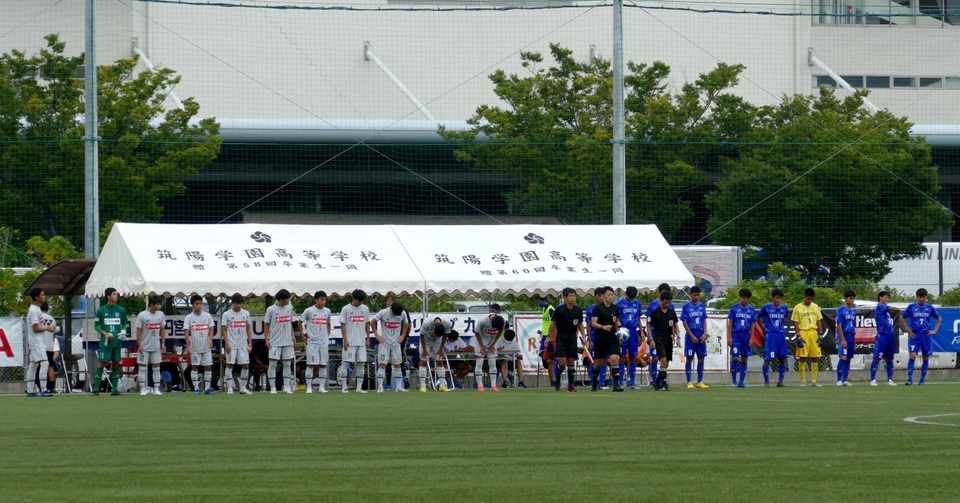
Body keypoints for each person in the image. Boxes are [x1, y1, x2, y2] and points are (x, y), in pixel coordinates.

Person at [93, 287, 129, 396]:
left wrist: (123, 331)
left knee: (116, 363)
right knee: (102, 362)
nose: (116, 296)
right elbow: (96, 325)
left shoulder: (121, 310)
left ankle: (114, 389)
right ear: (108, 296)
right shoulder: (101, 310)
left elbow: (125, 323)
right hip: (105, 342)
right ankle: (96, 389)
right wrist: (104, 333)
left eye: (116, 294)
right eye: (114, 294)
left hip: (117, 341)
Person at [902, 288, 942, 386]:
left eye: (923, 297)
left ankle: (922, 380)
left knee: (925, 358)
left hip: (925, 336)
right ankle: (910, 380)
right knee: (912, 356)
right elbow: (902, 317)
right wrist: (908, 330)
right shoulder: (911, 307)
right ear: (916, 297)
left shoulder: (930, 308)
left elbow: (939, 318)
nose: (921, 299)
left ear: (926, 297)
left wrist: (935, 330)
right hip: (914, 335)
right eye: (919, 297)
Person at [549, 287, 586, 392]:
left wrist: (584, 336)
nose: (573, 298)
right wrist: (552, 338)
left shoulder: (578, 310)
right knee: (562, 362)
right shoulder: (559, 310)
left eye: (574, 296)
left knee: (571, 361)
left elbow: (580, 324)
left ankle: (571, 385)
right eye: (570, 296)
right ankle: (557, 381)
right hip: (561, 337)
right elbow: (552, 325)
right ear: (565, 298)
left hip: (572, 338)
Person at [590, 286, 623, 392]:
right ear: (603, 296)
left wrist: (620, 332)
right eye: (609, 294)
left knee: (615, 358)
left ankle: (616, 385)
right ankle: (594, 383)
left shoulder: (615, 308)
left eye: (612, 294)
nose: (611, 296)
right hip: (601, 339)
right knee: (599, 362)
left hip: (613, 338)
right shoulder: (597, 308)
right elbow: (593, 323)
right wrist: (603, 327)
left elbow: (616, 322)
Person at [264, 289, 297, 394]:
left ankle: (286, 387)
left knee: (287, 364)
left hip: (287, 341)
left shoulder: (290, 307)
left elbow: (291, 323)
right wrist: (267, 339)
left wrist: (293, 336)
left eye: (288, 299)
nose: (288, 301)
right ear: (280, 300)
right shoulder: (271, 309)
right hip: (275, 341)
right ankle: (273, 387)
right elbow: (266, 324)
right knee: (273, 364)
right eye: (286, 299)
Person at [339, 289, 371, 394]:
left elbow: (367, 323)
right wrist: (345, 339)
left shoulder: (365, 309)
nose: (361, 303)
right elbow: (342, 325)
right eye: (359, 300)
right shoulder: (346, 309)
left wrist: (368, 338)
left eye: (362, 301)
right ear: (354, 299)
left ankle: (359, 388)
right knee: (345, 364)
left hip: (361, 342)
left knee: (361, 364)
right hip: (350, 342)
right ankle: (344, 387)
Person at [300, 291, 331, 394]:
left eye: (325, 300)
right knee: (311, 365)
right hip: (312, 342)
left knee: (323, 365)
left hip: (323, 342)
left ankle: (321, 387)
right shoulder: (309, 311)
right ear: (316, 300)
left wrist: (327, 335)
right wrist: (303, 334)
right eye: (322, 299)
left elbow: (328, 324)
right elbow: (300, 322)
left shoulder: (327, 311)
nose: (323, 302)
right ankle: (308, 387)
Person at [183, 294, 216, 395]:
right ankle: (196, 388)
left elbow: (211, 328)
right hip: (195, 347)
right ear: (193, 305)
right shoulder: (189, 317)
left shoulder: (207, 316)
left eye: (200, 304)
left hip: (206, 346)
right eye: (197, 304)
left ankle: (207, 388)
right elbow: (186, 332)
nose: (199, 306)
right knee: (195, 367)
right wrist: (188, 346)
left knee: (208, 366)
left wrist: (210, 339)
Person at [135, 295, 167, 396]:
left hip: (156, 345)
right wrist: (139, 344)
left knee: (156, 367)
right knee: (142, 368)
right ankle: (143, 389)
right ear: (152, 304)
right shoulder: (142, 315)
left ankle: (156, 388)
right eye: (158, 304)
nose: (159, 306)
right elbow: (138, 331)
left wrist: (163, 343)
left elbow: (162, 329)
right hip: (144, 346)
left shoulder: (161, 315)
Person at [222, 293, 253, 395]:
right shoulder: (226, 314)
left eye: (240, 303)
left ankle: (243, 388)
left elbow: (248, 328)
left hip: (243, 344)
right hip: (231, 344)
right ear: (232, 303)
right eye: (236, 303)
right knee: (229, 365)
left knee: (245, 365)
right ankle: (230, 388)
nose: (238, 305)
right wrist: (226, 343)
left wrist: (250, 342)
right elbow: (224, 330)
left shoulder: (246, 313)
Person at [373, 302, 409, 393]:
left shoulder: (403, 313)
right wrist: (377, 335)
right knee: (383, 364)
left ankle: (398, 387)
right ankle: (380, 386)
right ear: (391, 310)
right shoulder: (383, 312)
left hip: (396, 343)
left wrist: (403, 335)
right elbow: (373, 321)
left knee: (397, 364)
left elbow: (406, 323)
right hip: (384, 342)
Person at [26, 288, 55, 397]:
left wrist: (49, 327)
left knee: (33, 365)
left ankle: (30, 390)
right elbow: (35, 328)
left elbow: (39, 326)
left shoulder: (37, 309)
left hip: (37, 341)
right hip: (36, 342)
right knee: (45, 363)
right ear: (37, 297)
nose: (44, 296)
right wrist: (48, 328)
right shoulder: (34, 310)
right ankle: (43, 389)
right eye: (42, 295)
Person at [791, 288, 823, 387]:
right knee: (802, 357)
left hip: (813, 333)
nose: (809, 301)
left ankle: (814, 381)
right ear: (804, 297)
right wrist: (798, 335)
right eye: (808, 298)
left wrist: (820, 334)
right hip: (803, 333)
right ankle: (803, 381)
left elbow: (819, 320)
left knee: (815, 357)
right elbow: (795, 322)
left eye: (811, 299)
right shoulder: (798, 307)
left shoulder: (815, 307)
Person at [649, 290, 679, 391]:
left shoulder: (671, 312)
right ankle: (660, 382)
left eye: (669, 302)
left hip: (669, 338)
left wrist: (677, 336)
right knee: (663, 360)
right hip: (659, 338)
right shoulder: (655, 312)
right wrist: (651, 339)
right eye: (666, 302)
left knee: (666, 363)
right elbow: (649, 325)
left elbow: (675, 324)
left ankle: (659, 382)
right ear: (661, 301)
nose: (667, 304)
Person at [758, 289, 789, 387]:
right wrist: (764, 327)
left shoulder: (784, 307)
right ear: (773, 298)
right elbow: (759, 317)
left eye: (780, 298)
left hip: (781, 336)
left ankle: (780, 381)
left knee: (783, 358)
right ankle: (766, 382)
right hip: (771, 336)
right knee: (768, 358)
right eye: (776, 298)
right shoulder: (766, 307)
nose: (778, 300)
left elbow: (786, 318)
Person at [727, 288, 757, 388]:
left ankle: (742, 381)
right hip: (736, 336)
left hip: (746, 336)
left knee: (744, 358)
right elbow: (730, 323)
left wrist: (752, 338)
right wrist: (729, 337)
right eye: (743, 298)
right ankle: (734, 380)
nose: (744, 300)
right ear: (740, 297)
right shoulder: (734, 308)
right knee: (735, 357)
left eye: (746, 298)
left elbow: (753, 325)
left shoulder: (751, 309)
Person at [645, 283, 672, 389]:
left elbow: (672, 321)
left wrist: (675, 334)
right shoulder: (653, 305)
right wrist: (650, 337)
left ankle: (662, 380)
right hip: (656, 336)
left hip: (666, 336)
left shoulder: (670, 305)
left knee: (665, 360)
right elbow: (648, 322)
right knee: (656, 358)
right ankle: (653, 378)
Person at [680, 286, 709, 389]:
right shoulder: (686, 307)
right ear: (691, 295)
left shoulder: (702, 306)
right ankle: (689, 382)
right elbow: (684, 322)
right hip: (690, 337)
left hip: (701, 336)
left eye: (698, 295)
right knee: (689, 358)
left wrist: (705, 333)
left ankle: (700, 381)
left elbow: (704, 320)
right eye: (694, 295)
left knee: (701, 358)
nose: (696, 296)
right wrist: (691, 335)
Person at [473, 308, 505, 392]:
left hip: (492, 343)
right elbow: (476, 333)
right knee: (479, 363)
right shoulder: (482, 321)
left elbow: (500, 331)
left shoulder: (501, 321)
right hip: (480, 342)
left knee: (492, 363)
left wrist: (493, 344)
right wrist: (482, 346)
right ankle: (480, 386)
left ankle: (493, 386)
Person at [870, 291, 898, 386]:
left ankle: (890, 379)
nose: (887, 299)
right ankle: (873, 379)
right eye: (886, 297)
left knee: (889, 359)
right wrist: (899, 309)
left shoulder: (886, 312)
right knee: (877, 358)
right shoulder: (880, 306)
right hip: (882, 336)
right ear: (880, 297)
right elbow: (892, 308)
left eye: (888, 298)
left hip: (890, 336)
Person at [616, 286, 643, 388]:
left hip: (633, 332)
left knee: (633, 356)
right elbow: (616, 318)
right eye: (630, 297)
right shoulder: (620, 303)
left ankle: (631, 381)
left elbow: (638, 318)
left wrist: (641, 332)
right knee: (622, 356)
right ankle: (621, 380)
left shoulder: (637, 303)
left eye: (633, 297)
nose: (632, 299)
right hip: (623, 331)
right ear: (626, 294)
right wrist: (618, 330)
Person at [419, 317, 451, 392]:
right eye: (434, 334)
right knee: (423, 361)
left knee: (439, 360)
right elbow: (421, 336)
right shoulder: (426, 323)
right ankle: (423, 385)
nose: (434, 336)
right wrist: (424, 350)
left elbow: (445, 336)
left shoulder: (447, 324)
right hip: (425, 340)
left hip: (438, 342)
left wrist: (441, 349)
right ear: (433, 328)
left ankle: (442, 385)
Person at [835, 290, 858, 387]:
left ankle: (845, 379)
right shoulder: (841, 309)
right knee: (843, 357)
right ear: (846, 298)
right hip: (844, 336)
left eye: (853, 298)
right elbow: (839, 325)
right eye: (850, 298)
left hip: (851, 337)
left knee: (848, 358)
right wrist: (842, 339)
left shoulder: (853, 310)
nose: (852, 300)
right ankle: (839, 379)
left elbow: (853, 324)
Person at [536, 295, 556, 387]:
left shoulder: (551, 309)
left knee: (550, 360)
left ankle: (554, 381)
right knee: (546, 359)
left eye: (539, 301)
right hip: (544, 336)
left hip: (550, 337)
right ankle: (553, 380)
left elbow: (555, 323)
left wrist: (550, 335)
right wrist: (542, 331)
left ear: (544, 300)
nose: (538, 303)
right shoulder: (544, 309)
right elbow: (547, 323)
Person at [40, 302, 59, 394]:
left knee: (40, 366)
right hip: (50, 346)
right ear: (47, 309)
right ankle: (51, 387)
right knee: (50, 366)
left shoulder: (38, 318)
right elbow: (55, 330)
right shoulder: (52, 319)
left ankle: (41, 387)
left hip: (40, 345)